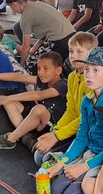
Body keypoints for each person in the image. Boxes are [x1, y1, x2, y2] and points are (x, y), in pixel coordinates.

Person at [45, 46, 103, 194]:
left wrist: (84, 167)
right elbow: (81, 137)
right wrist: (62, 162)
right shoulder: (87, 100)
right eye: (87, 69)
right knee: (56, 190)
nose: (89, 74)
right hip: (91, 152)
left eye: (96, 70)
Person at [32, 32, 97, 164]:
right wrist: (56, 130)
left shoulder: (93, 81)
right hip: (75, 131)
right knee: (39, 156)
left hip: (89, 134)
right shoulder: (72, 77)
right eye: (71, 51)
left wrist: (57, 136)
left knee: (44, 159)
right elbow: (71, 110)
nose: (73, 55)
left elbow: (85, 119)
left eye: (79, 52)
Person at [0, 52, 67, 151]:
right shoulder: (43, 80)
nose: (40, 72)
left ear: (58, 70)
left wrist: (8, 98)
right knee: (9, 103)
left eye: (45, 69)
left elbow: (39, 95)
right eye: (39, 68)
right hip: (35, 121)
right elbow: (19, 77)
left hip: (50, 125)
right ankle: (26, 137)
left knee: (39, 109)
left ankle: (10, 139)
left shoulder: (63, 85)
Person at [5, 0, 75, 70]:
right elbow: (43, 38)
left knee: (31, 65)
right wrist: (32, 52)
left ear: (15, 4)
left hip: (59, 41)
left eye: (10, 6)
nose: (12, 9)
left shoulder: (25, 17)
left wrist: (22, 66)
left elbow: (26, 47)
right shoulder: (36, 4)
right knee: (33, 58)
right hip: (72, 37)